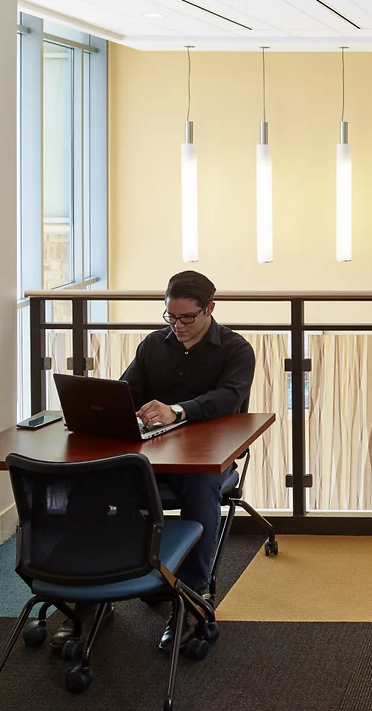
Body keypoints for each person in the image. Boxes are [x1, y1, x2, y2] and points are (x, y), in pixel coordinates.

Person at [124, 270, 255, 650]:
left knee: (200, 486)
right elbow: (128, 389)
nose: (177, 326)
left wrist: (177, 411)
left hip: (208, 457)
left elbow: (229, 399)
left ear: (209, 308)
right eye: (171, 316)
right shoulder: (153, 345)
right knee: (105, 479)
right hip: (154, 455)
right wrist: (118, 409)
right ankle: (101, 587)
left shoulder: (236, 349)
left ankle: (195, 595)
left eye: (186, 318)